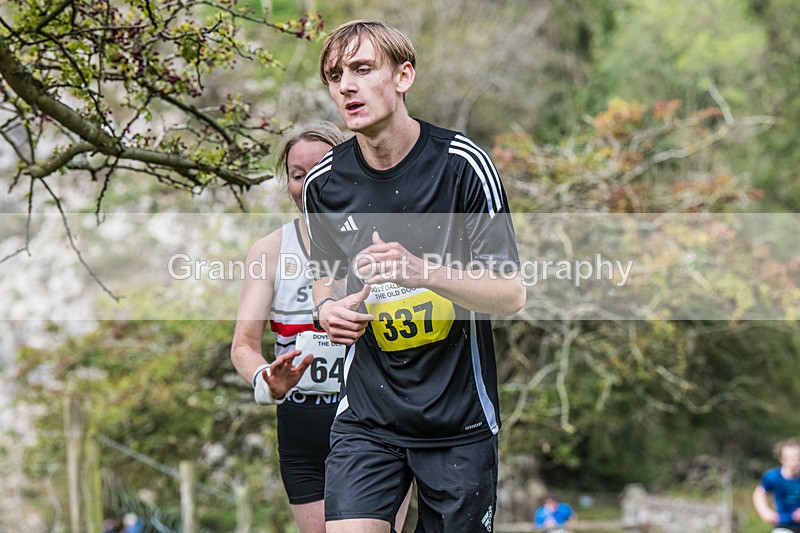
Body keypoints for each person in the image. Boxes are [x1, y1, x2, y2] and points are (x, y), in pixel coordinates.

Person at [303, 20, 526, 533]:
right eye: (335, 76)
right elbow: (326, 277)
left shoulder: (463, 166)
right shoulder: (324, 184)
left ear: (404, 76)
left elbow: (511, 293)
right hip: (367, 418)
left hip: (457, 421)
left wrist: (422, 272)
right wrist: (327, 310)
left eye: (362, 69)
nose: (347, 86)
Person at [231, 121, 410, 533]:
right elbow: (243, 344)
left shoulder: (381, 243)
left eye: (321, 170)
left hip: (375, 421)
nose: (308, 184)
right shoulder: (270, 251)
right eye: (297, 175)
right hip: (303, 427)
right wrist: (266, 379)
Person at [753, 438, 800, 533]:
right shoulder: (772, 477)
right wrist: (765, 512)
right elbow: (759, 493)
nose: (792, 461)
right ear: (781, 458)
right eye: (787, 458)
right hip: (783, 524)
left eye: (795, 457)